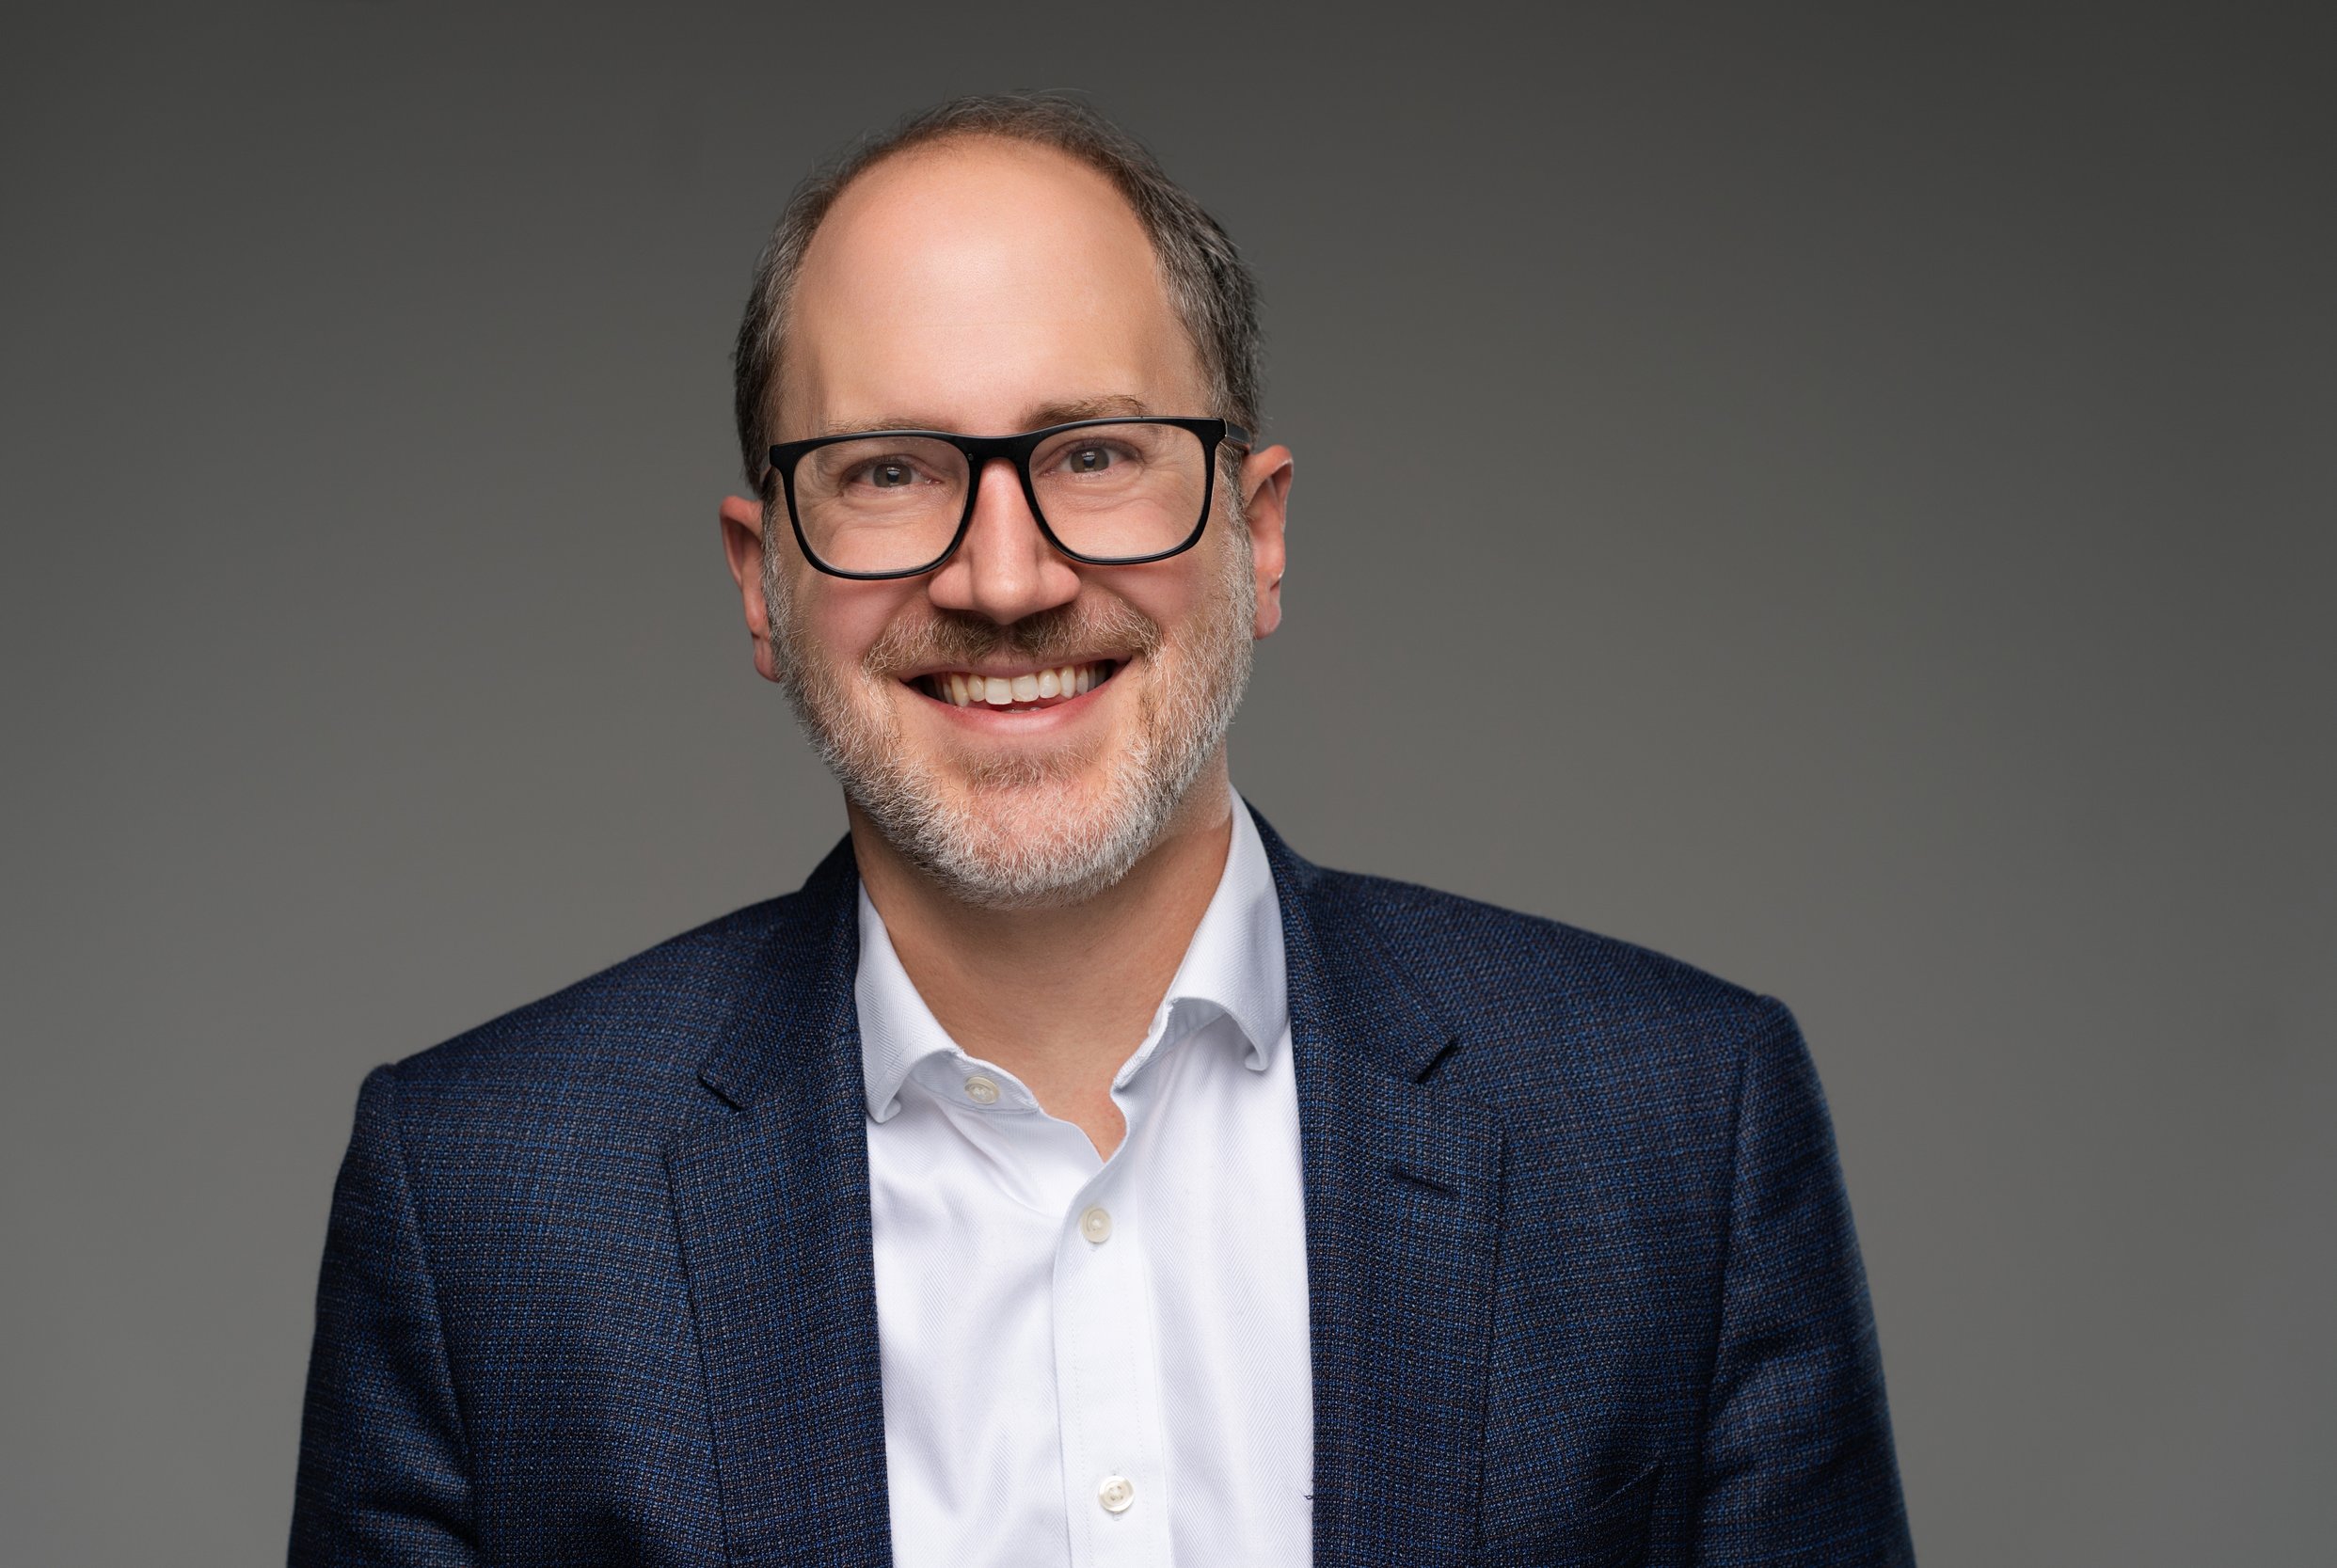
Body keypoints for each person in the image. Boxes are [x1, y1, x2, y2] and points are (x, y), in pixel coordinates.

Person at [290, 93, 1914, 1567]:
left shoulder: (1678, 1132)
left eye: (1095, 455)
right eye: (888, 473)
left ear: (1258, 535)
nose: (1006, 579)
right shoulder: (482, 1203)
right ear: (760, 578)